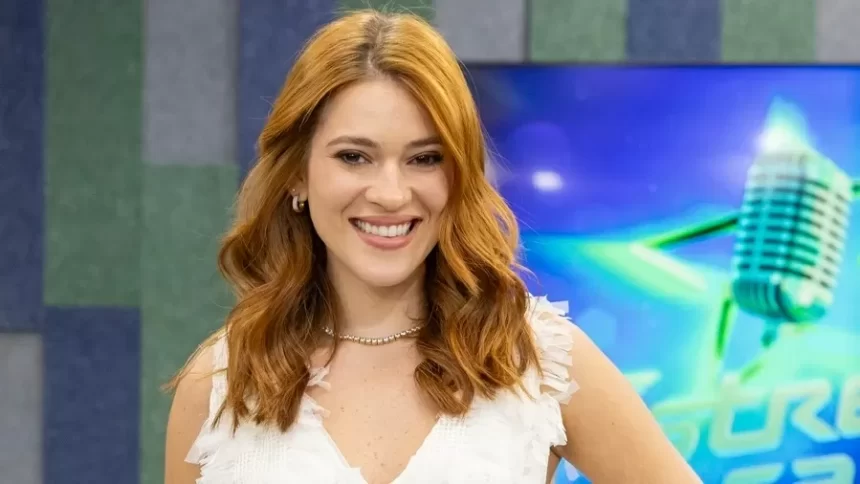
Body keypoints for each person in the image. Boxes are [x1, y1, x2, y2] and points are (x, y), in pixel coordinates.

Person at [164, 9, 701, 484]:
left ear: (459, 175)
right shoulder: (219, 384)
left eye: (425, 159)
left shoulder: (535, 360)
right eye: (354, 157)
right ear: (297, 175)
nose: (391, 194)